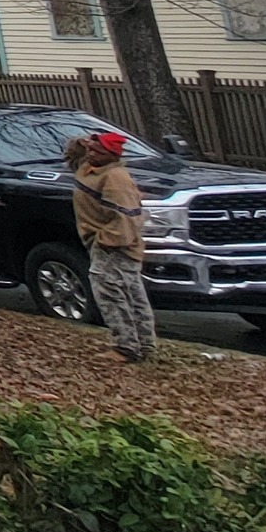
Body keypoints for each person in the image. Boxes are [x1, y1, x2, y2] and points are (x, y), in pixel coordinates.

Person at [64, 130, 155, 364]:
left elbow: (127, 217)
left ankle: (125, 347)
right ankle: (143, 345)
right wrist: (81, 141)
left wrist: (107, 242)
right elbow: (72, 156)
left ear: (111, 155)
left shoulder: (115, 177)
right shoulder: (89, 168)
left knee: (111, 293)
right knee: (131, 293)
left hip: (115, 246)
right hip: (105, 243)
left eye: (98, 151)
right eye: (90, 149)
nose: (91, 153)